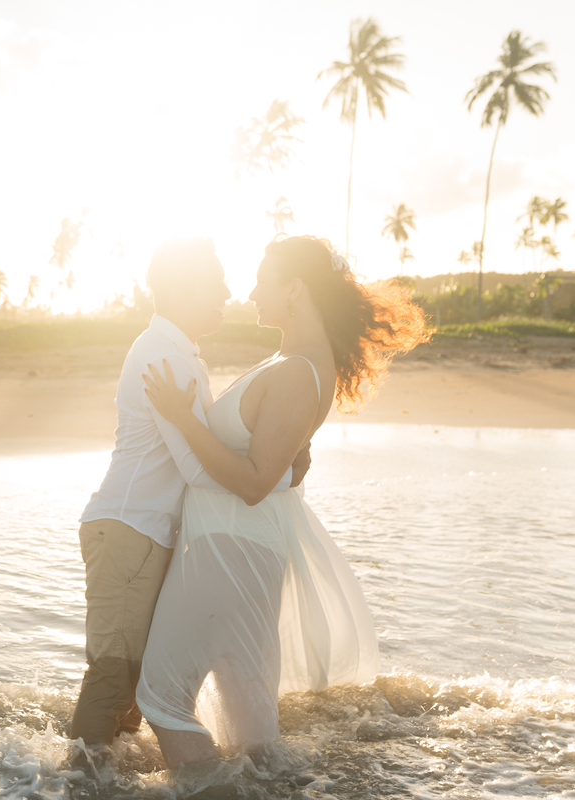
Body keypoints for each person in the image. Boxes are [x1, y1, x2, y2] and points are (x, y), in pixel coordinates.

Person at [135, 235, 429, 768]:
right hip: (240, 550)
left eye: (262, 281)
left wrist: (181, 417)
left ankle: (208, 790)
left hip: (229, 552)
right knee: (251, 730)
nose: (250, 293)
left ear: (294, 290)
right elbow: (273, 462)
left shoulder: (296, 370)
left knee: (161, 695)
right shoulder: (297, 361)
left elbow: (252, 481)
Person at [70, 238, 310, 753]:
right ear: (180, 290)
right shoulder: (166, 360)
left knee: (134, 680)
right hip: (128, 529)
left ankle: (112, 776)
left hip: (144, 533)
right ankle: (73, 782)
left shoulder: (179, 355)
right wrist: (282, 475)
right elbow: (197, 469)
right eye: (214, 282)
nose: (228, 291)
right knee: (114, 674)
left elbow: (202, 453)